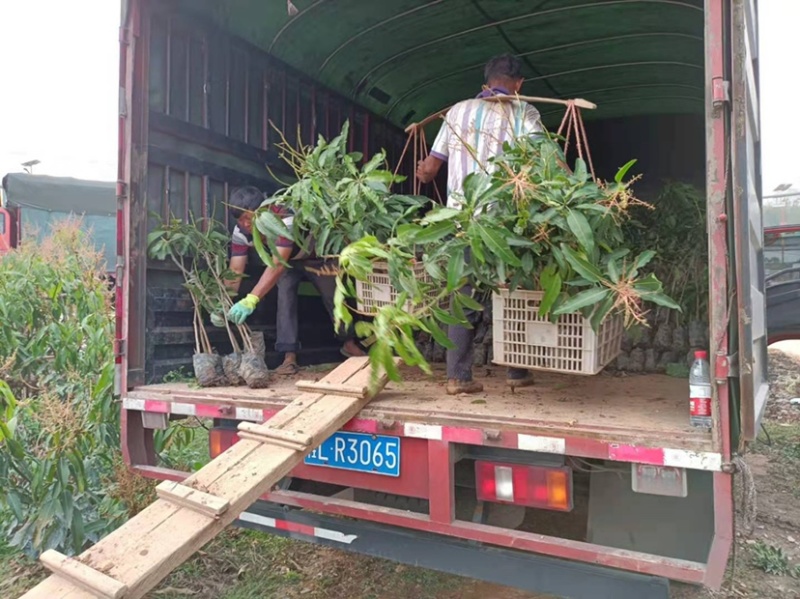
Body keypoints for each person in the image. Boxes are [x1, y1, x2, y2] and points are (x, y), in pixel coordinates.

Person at [416, 54, 541, 395]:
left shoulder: (457, 111)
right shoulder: (525, 113)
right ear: (519, 85)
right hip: (508, 224)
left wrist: (421, 171)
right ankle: (517, 372)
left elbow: (430, 168)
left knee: (464, 295)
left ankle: (458, 376)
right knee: (515, 291)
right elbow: (546, 159)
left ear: (486, 81)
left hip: (463, 221)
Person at [216, 186, 365, 374]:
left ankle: (348, 342)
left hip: (315, 256)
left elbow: (278, 263)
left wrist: (251, 299)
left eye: (249, 217)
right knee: (285, 297)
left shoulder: (284, 215)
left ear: (263, 211)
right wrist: (223, 304)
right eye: (240, 219)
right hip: (286, 262)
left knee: (334, 296)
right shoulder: (240, 233)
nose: (246, 224)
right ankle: (289, 356)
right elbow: (236, 270)